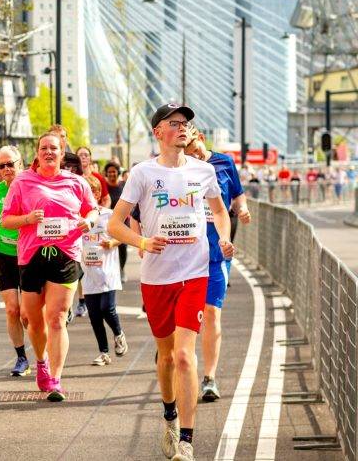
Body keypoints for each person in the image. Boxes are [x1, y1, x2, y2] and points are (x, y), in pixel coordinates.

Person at [108, 103, 233, 461]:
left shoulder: (203, 171)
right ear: (157, 132)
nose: (183, 128)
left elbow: (221, 213)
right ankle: (170, 415)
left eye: (186, 123)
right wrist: (143, 242)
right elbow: (115, 224)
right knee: (165, 356)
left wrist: (223, 238)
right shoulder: (143, 173)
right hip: (156, 278)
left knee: (183, 355)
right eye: (174, 123)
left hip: (195, 272)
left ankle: (188, 441)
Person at [1, 133, 99, 402]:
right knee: (33, 320)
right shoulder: (22, 181)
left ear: (62, 152)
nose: (48, 152)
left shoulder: (76, 182)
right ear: (37, 152)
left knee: (56, 317)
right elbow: (7, 220)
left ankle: (55, 379)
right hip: (31, 255)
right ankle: (41, 359)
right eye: (43, 148)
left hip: (65, 253)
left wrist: (88, 221)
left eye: (53, 148)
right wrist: (28, 218)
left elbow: (93, 209)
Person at [184, 125, 251, 402]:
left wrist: (242, 208)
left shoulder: (224, 162)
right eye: (186, 152)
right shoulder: (178, 169)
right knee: (185, 318)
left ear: (200, 138)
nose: (192, 155)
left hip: (216, 253)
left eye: (193, 148)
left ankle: (209, 378)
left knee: (211, 312)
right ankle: (176, 355)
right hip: (184, 254)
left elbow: (237, 193)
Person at [0, 146, 30, 377]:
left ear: (20, 164)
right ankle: (21, 357)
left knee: (29, 315)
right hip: (5, 254)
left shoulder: (32, 187)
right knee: (12, 310)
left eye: (11, 164)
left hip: (30, 255)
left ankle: (44, 355)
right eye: (2, 166)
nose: (7, 169)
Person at [78, 177, 127, 366]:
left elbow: (123, 236)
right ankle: (103, 352)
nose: (90, 194)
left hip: (107, 271)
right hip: (89, 273)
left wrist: (112, 242)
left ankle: (118, 333)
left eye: (93, 190)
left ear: (98, 194)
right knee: (95, 315)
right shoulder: (78, 218)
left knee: (107, 308)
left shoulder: (109, 215)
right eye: (86, 191)